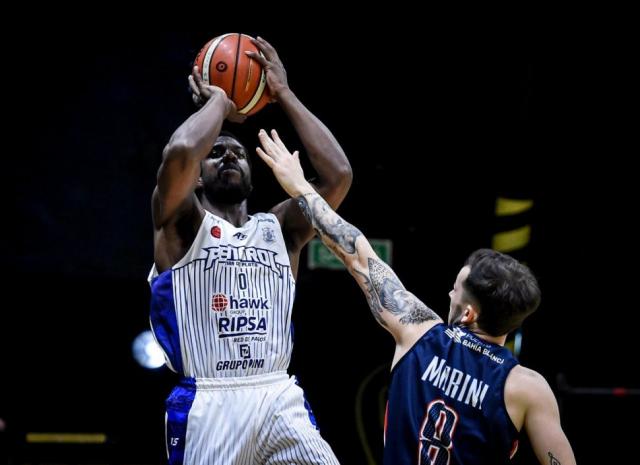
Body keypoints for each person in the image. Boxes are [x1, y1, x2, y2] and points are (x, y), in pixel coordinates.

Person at [255, 129, 577, 465]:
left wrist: (300, 186)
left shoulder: (419, 331)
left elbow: (356, 253)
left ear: (468, 314)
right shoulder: (528, 388)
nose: (449, 293)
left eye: (455, 289)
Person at [149, 36, 351, 465]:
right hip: (210, 402)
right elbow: (181, 151)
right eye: (216, 153)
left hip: (278, 393)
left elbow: (338, 176)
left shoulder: (280, 227)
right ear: (196, 176)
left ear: (252, 173)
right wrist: (220, 102)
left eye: (238, 153)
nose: (229, 157)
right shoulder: (180, 223)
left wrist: (283, 93)